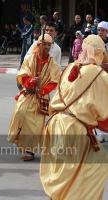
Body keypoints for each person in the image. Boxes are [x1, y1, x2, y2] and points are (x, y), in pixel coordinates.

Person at [40, 34, 108, 200]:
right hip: (74, 129)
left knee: (60, 172)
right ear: (99, 53)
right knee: (95, 166)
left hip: (54, 124)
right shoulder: (101, 76)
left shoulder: (71, 67)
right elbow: (104, 119)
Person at [8, 34, 61, 161]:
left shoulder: (53, 64)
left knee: (35, 125)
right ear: (39, 45)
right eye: (45, 44)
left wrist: (42, 90)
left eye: (49, 45)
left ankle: (29, 151)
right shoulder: (30, 59)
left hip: (41, 96)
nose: (47, 47)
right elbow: (23, 74)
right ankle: (19, 140)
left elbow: (54, 82)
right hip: (28, 93)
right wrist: (31, 81)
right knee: (20, 113)